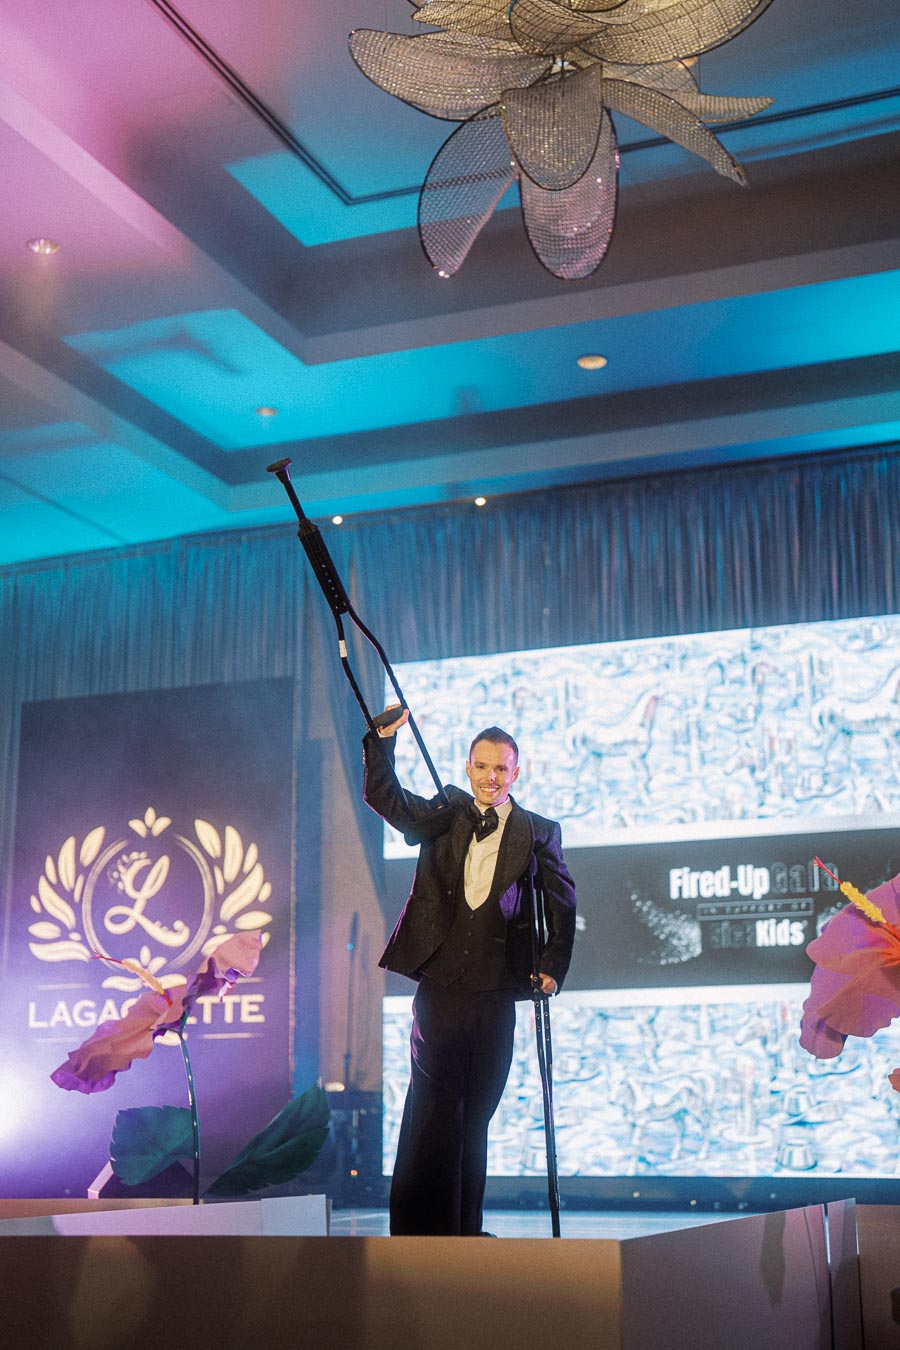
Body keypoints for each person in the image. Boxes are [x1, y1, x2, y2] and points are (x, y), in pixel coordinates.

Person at [363, 707, 577, 1236]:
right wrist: (381, 742)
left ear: (516, 774)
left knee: (476, 1112)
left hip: (495, 991)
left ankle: (462, 1228)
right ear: (467, 767)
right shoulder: (448, 813)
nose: (490, 777)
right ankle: (417, 1229)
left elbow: (562, 902)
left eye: (501, 769)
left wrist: (551, 967)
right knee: (432, 1109)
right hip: (440, 986)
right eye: (481, 767)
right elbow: (390, 802)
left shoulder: (539, 832)